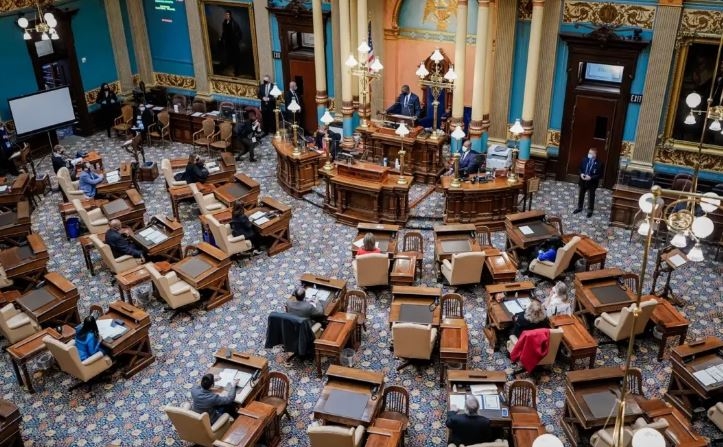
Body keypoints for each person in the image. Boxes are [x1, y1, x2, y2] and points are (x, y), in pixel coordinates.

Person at [573, 147, 603, 218]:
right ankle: (579, 207)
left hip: (592, 183)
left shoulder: (600, 163)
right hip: (583, 180)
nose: (588, 154)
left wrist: (591, 178)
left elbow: (600, 175)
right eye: (588, 153)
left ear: (595, 155)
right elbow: (579, 169)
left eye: (590, 153)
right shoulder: (584, 159)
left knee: (591, 196)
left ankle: (590, 210)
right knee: (581, 194)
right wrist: (581, 174)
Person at [219, 9, 242, 77]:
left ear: (230, 15)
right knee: (227, 55)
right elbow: (224, 32)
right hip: (227, 43)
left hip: (234, 43)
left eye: (227, 15)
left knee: (236, 57)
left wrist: (236, 40)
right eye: (225, 15)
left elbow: (239, 33)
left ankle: (236, 72)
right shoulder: (224, 23)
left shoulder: (234, 23)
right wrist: (221, 38)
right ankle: (224, 68)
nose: (226, 16)